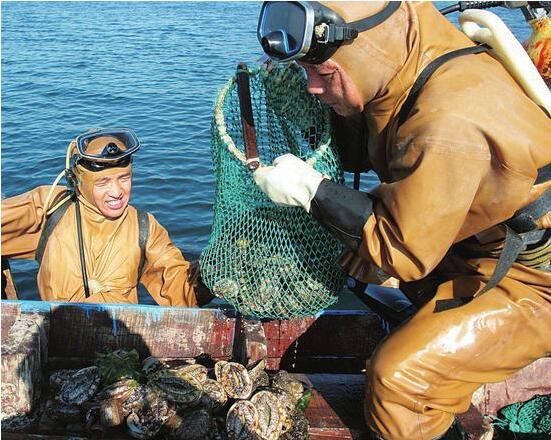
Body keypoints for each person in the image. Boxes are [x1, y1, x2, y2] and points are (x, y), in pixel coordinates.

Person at [255, 2, 551, 439]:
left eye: (325, 74)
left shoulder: (449, 117)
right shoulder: (404, 63)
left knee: (398, 380)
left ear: (368, 46)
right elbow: (364, 143)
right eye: (305, 72)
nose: (313, 87)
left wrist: (310, 190)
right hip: (469, 248)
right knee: (355, 260)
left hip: (532, 280)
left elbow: (402, 251)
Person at [2, 128, 200, 307]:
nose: (116, 192)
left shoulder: (144, 227)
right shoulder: (51, 208)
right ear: (77, 181)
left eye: (124, 178)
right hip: (57, 336)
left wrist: (211, 276)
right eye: (102, 182)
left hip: (117, 343)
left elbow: (180, 288)